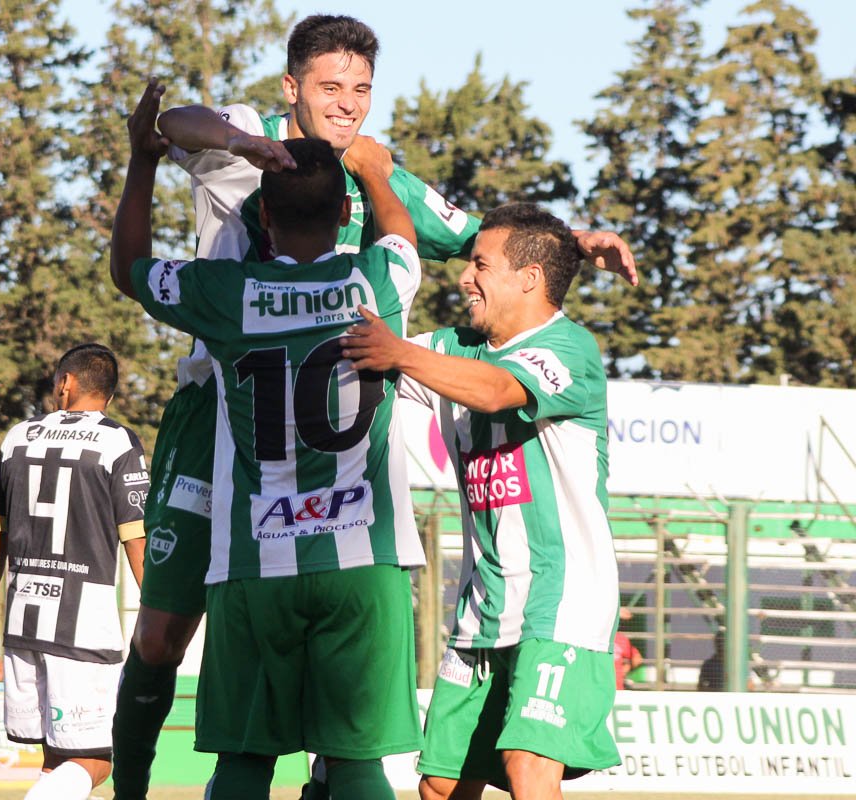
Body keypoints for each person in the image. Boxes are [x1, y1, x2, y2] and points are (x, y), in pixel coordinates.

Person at [112, 14, 637, 798]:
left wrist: (572, 239)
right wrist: (248, 146)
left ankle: (326, 777)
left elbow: (484, 236)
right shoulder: (249, 133)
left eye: (361, 89)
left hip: (317, 436)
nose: (348, 103)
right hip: (212, 407)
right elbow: (177, 122)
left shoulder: (377, 170)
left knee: (301, 693)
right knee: (160, 635)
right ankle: (131, 782)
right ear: (291, 88)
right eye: (331, 86)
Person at [113, 76, 424, 799]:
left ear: (264, 219)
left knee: (245, 763)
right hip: (362, 564)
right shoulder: (379, 282)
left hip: (255, 560)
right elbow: (402, 237)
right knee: (357, 765)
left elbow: (128, 271)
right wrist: (376, 175)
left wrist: (142, 161)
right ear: (344, 214)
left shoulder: (228, 293)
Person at [340, 202, 622, 800]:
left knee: (528, 765)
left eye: (480, 265)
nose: (465, 277)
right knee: (441, 785)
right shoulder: (456, 346)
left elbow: (497, 390)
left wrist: (400, 353)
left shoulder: (569, 348)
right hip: (486, 601)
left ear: (530, 278)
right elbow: (363, 351)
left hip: (562, 598)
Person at [0, 344, 148, 800]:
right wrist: (159, 614)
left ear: (66, 383)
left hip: (23, 620)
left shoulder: (18, 437)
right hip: (82, 627)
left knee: (55, 758)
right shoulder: (117, 441)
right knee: (95, 761)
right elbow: (137, 539)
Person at [613, 608, 643, 690]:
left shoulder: (621, 639)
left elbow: (637, 659)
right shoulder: (621, 639)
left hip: (615, 685)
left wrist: (622, 672)